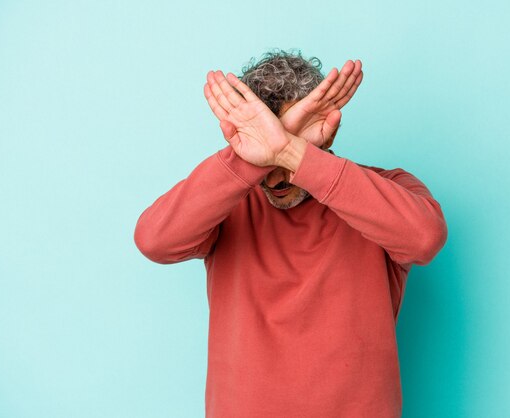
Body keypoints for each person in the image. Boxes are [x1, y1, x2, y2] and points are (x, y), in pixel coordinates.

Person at [134, 50, 448, 418]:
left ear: (324, 132)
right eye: (264, 146)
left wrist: (291, 151)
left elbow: (425, 238)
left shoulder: (384, 189)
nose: (276, 174)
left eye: (289, 144)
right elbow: (154, 240)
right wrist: (248, 158)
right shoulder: (225, 203)